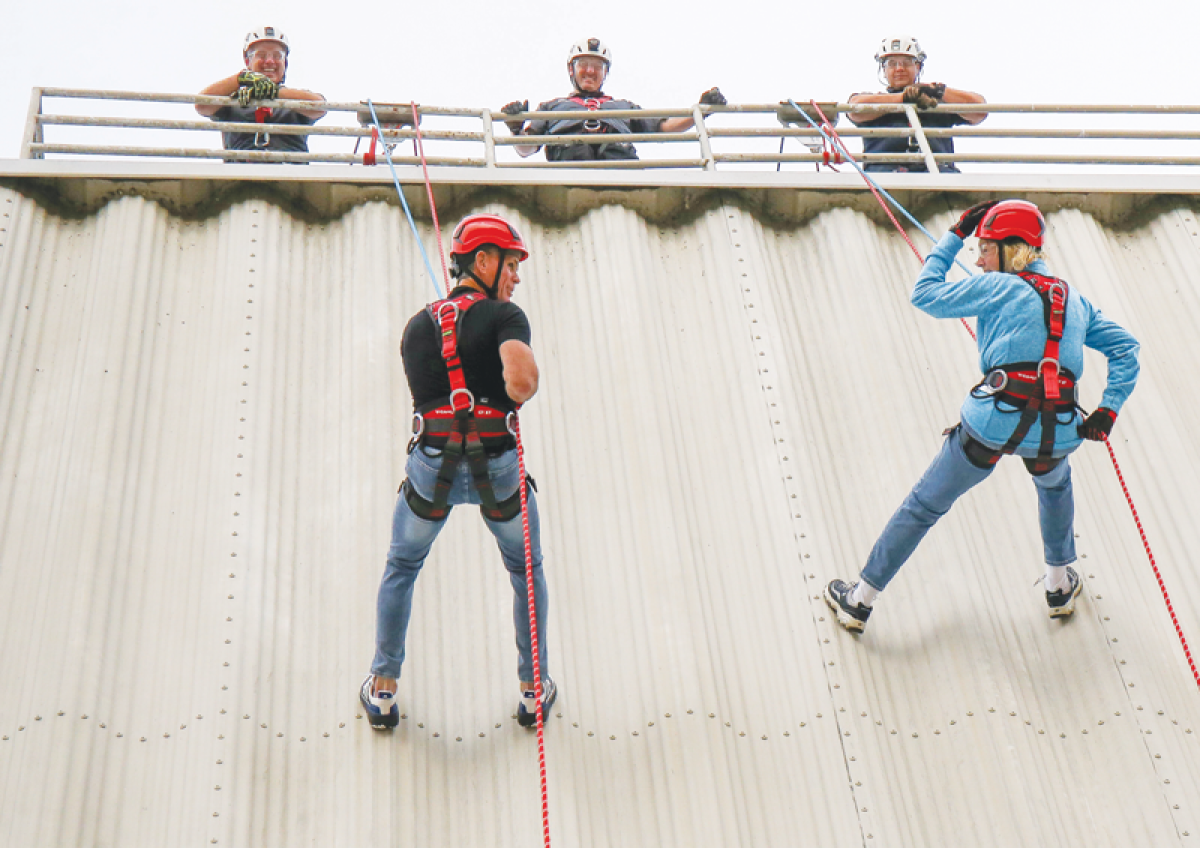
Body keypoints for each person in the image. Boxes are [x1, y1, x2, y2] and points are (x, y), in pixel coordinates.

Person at [825, 199, 1140, 633]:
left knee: (924, 505)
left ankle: (859, 601)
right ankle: (1058, 584)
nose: (978, 259)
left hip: (992, 423)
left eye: (985, 249)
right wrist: (1108, 409)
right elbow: (1127, 348)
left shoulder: (999, 287)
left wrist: (954, 234)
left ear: (1014, 249)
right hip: (1056, 432)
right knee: (1054, 484)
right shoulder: (1076, 301)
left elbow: (925, 294)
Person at [361, 214, 555, 729]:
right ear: (483, 262)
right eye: (510, 263)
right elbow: (522, 382)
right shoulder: (505, 316)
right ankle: (534, 687)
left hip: (432, 467)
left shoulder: (417, 327)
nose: (515, 276)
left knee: (402, 566)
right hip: (498, 466)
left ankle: (382, 687)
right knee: (525, 569)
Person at [500, 38, 726, 162]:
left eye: (597, 66)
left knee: (618, 149)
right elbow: (526, 149)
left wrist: (701, 110)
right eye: (583, 65)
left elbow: (664, 127)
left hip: (619, 168)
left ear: (605, 73)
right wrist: (516, 129)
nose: (590, 71)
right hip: (569, 167)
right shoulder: (551, 107)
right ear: (572, 71)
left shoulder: (623, 107)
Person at [847, 36, 987, 173]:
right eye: (892, 63)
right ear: (884, 70)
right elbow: (854, 109)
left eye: (907, 62)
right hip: (884, 175)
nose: (899, 68)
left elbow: (979, 110)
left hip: (937, 172)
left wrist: (938, 91)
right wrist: (903, 98)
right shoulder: (874, 102)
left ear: (918, 67)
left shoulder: (937, 102)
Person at [196, 27, 326, 154]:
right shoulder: (235, 100)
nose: (269, 61)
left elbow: (320, 107)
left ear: (285, 63)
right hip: (242, 171)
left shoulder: (295, 100)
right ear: (248, 61)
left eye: (277, 56)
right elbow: (201, 104)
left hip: (290, 172)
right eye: (261, 55)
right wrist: (240, 78)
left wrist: (273, 92)